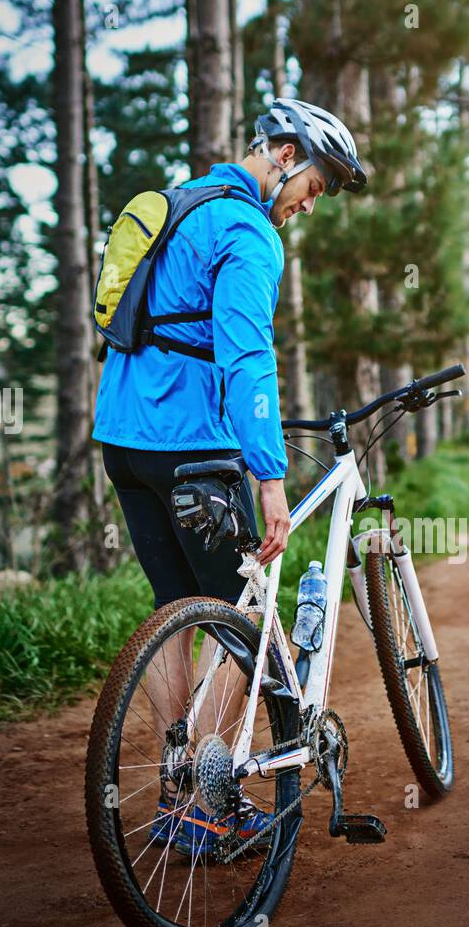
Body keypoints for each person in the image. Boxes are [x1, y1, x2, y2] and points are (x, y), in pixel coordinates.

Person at [93, 98, 367, 604]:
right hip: (192, 449)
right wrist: (270, 477)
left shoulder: (181, 204)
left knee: (174, 607)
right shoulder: (247, 232)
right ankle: (240, 684)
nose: (309, 205)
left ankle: (165, 679)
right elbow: (248, 359)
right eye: (315, 187)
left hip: (123, 443)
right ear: (287, 155)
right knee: (243, 614)